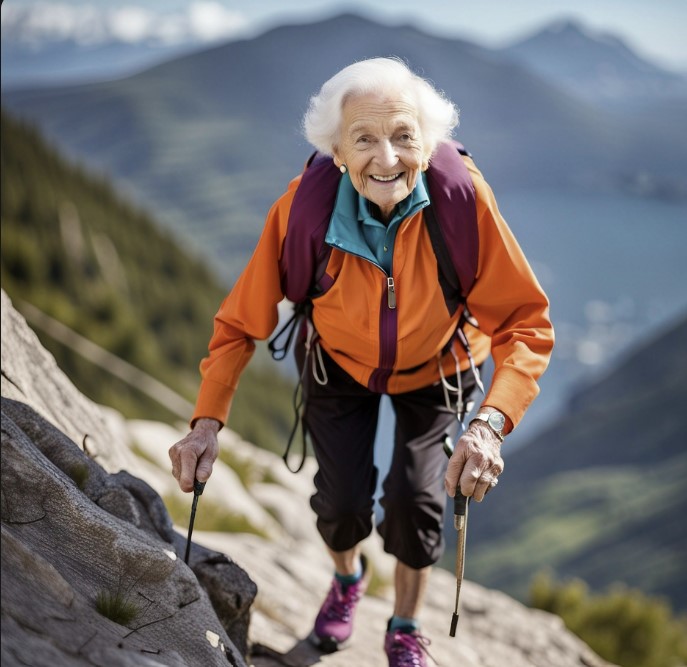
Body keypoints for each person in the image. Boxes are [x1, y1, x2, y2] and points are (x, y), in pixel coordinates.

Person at [169, 57, 554, 667]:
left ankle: (403, 626)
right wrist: (206, 422)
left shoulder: (460, 202)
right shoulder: (303, 212)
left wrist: (490, 424)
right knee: (342, 502)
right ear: (338, 154)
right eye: (365, 140)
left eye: (404, 136)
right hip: (338, 364)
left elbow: (526, 324)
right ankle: (347, 581)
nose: (388, 157)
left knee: (417, 500)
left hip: (438, 367)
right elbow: (242, 320)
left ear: (426, 145)